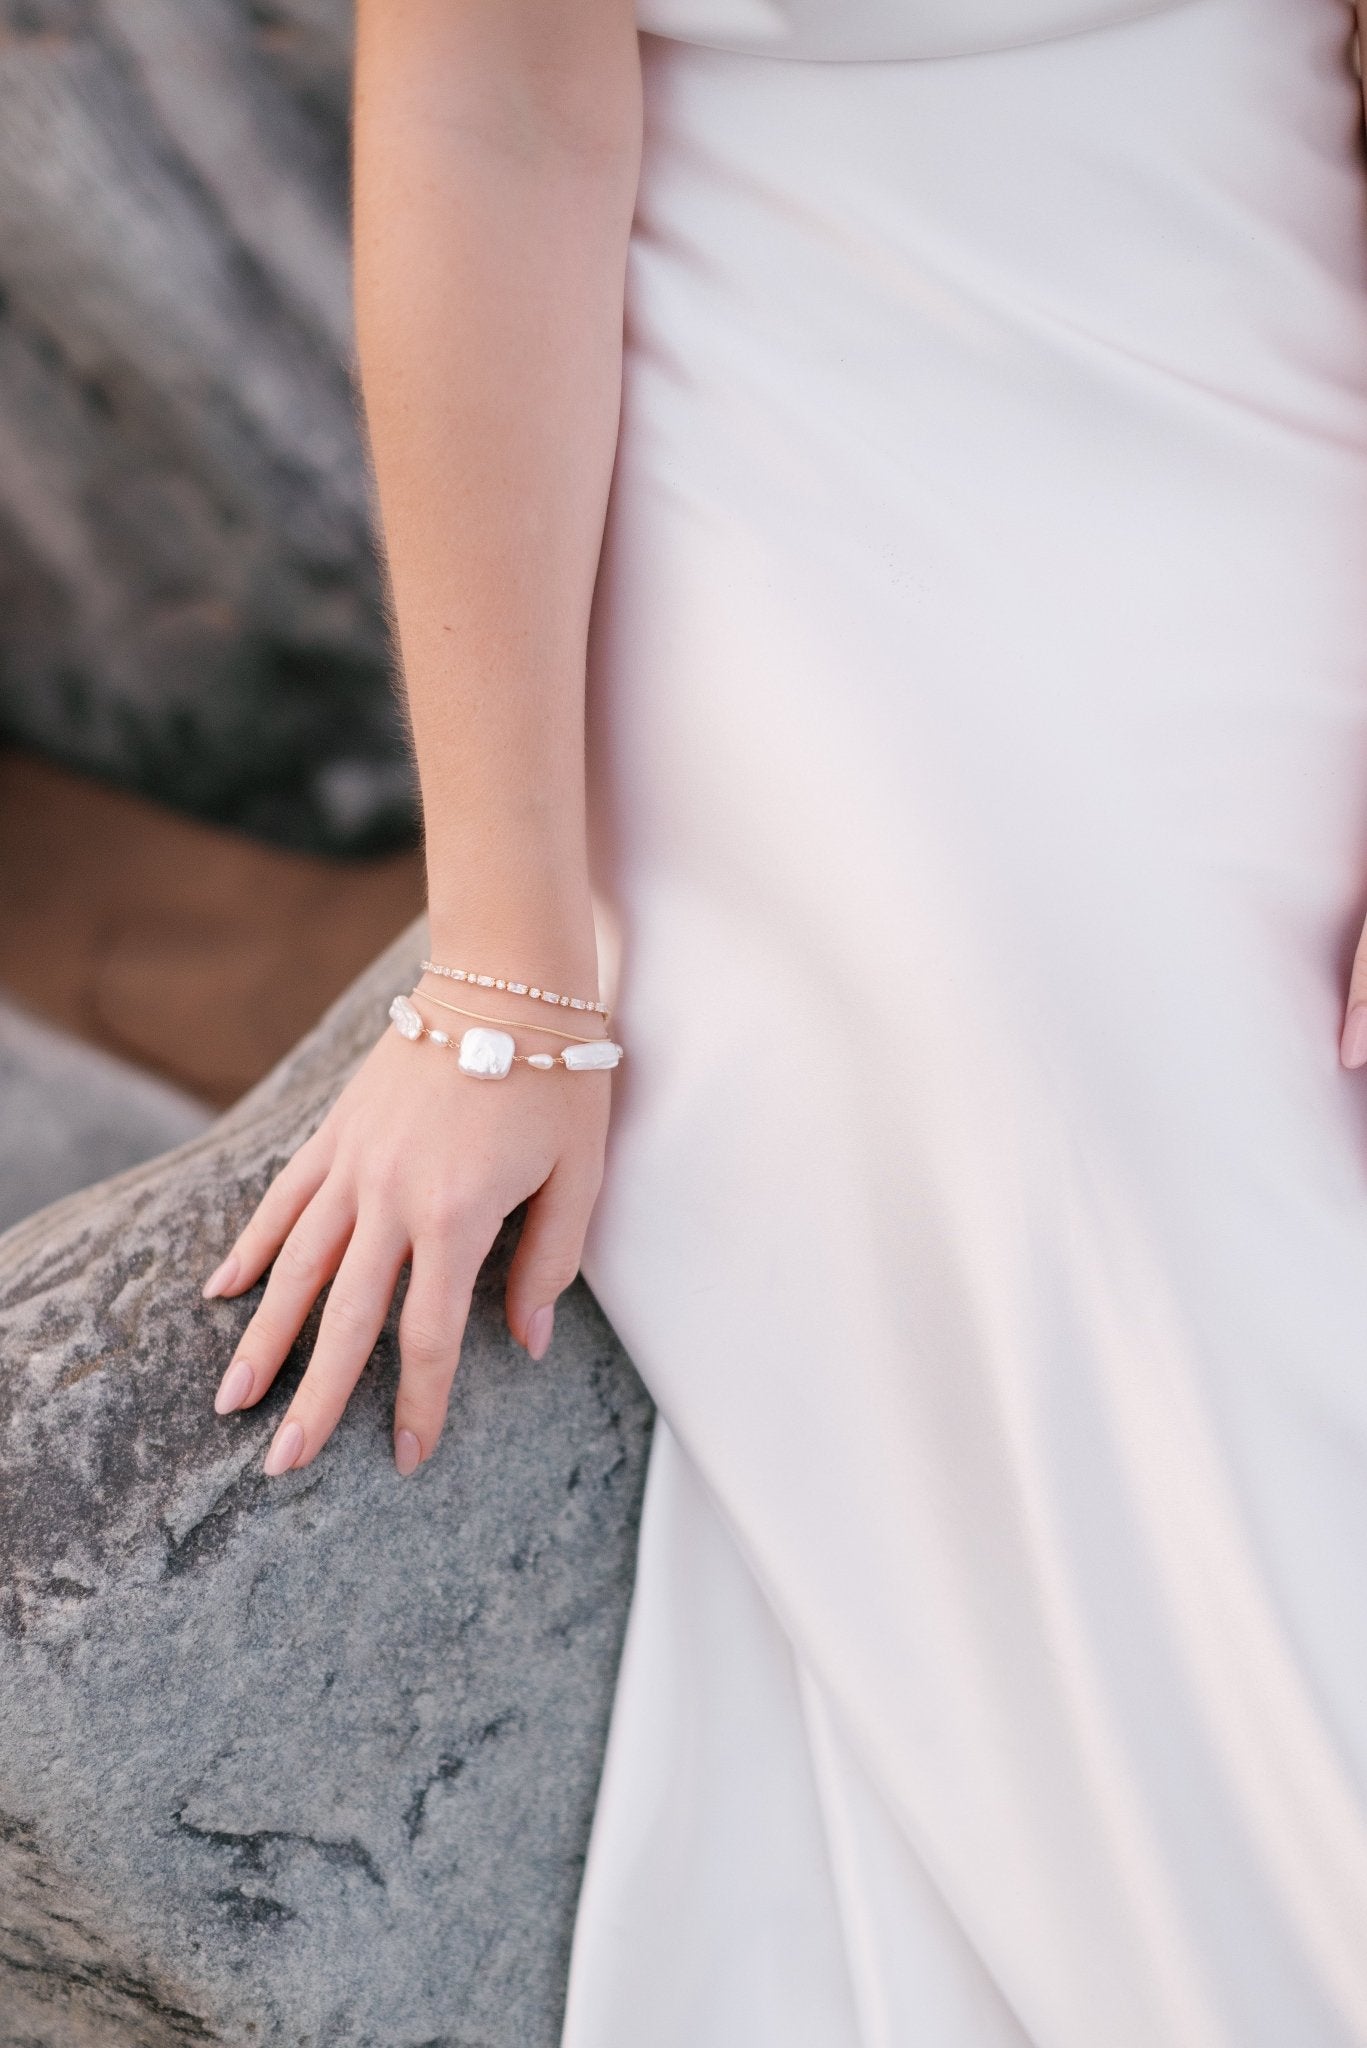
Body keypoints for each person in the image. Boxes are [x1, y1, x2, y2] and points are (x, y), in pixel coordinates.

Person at [201, 0, 1367, 2038]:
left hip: (1296, 360)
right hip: (816, 455)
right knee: (1126, 1129)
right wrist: (507, 968)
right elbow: (487, 107)